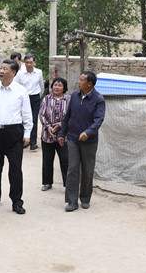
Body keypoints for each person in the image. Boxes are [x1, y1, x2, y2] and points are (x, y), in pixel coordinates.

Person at [0, 59, 33, 214]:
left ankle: (17, 201)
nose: (1, 71)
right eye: (1, 68)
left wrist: (27, 134)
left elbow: (27, 114)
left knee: (15, 169)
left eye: (5, 69)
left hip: (14, 133)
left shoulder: (21, 91)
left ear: (13, 72)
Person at [59, 71, 105, 212]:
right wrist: (62, 133)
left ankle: (85, 198)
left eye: (81, 80)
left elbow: (98, 120)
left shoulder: (98, 99)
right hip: (73, 138)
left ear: (89, 84)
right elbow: (67, 116)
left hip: (89, 141)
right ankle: (72, 201)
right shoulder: (74, 95)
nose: (78, 82)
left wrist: (88, 132)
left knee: (87, 170)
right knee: (72, 168)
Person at [38, 77, 70, 191]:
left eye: (60, 85)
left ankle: (68, 184)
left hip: (63, 136)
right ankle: (47, 183)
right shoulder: (46, 98)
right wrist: (48, 126)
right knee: (47, 160)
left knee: (65, 160)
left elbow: (71, 116)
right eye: (55, 85)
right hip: (47, 135)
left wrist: (60, 125)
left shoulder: (68, 99)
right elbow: (41, 114)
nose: (57, 87)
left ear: (64, 88)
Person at [16, 54, 44, 150]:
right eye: (27, 63)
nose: (29, 64)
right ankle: (24, 141)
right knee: (22, 119)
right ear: (24, 63)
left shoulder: (39, 72)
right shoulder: (20, 73)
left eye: (31, 62)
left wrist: (39, 96)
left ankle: (33, 142)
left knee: (34, 119)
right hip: (24, 98)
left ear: (34, 63)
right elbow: (16, 86)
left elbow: (41, 85)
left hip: (35, 98)